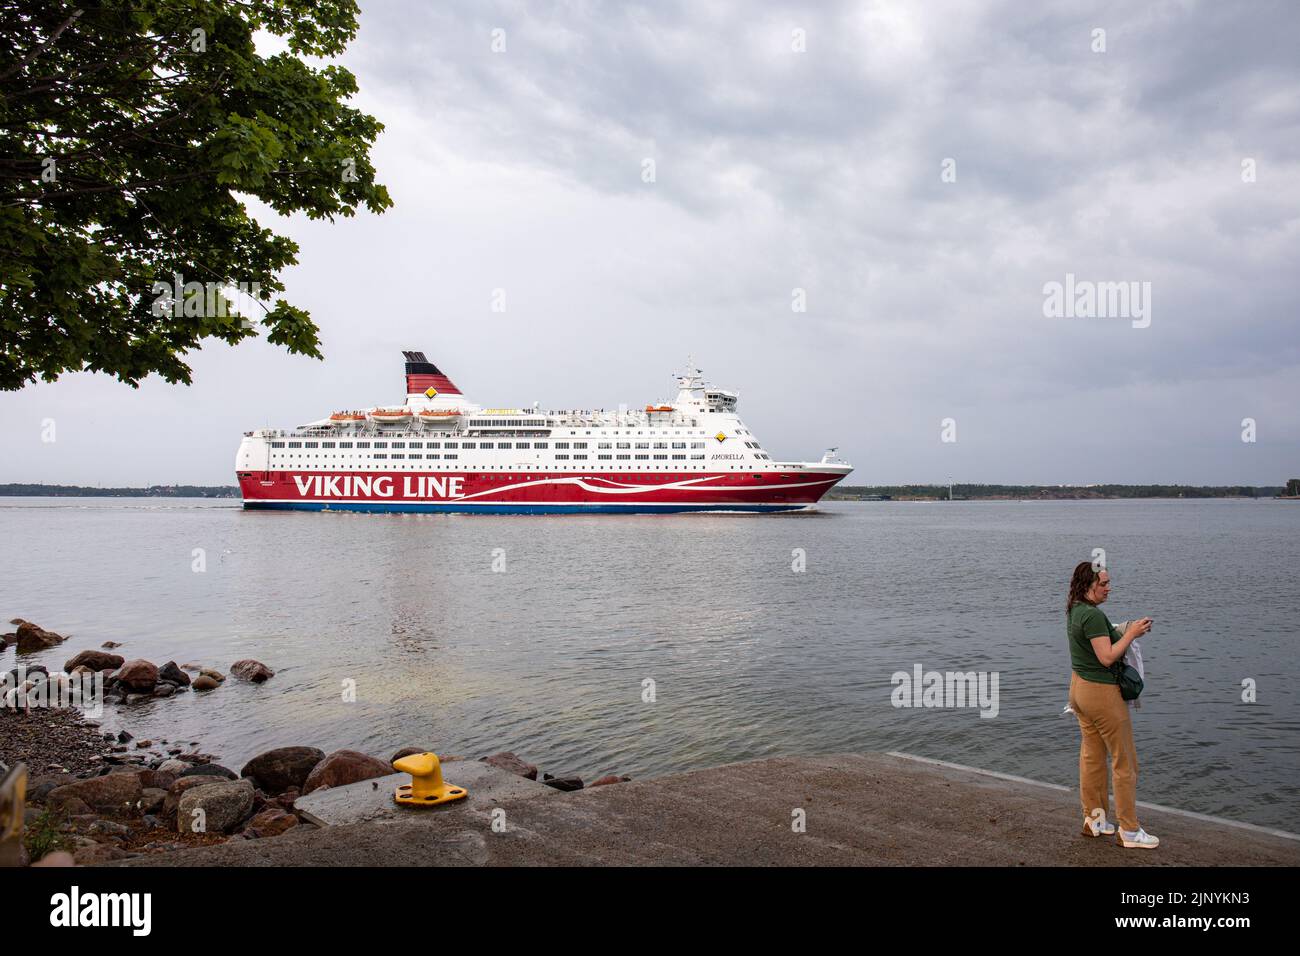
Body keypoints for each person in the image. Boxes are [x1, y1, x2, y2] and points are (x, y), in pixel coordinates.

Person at [1065, 561, 1159, 848]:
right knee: (1125, 761)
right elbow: (1106, 657)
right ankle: (1129, 831)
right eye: (1103, 583)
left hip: (1079, 689)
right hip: (1101, 694)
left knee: (1092, 757)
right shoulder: (1092, 616)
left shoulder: (1075, 610)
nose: (1109, 587)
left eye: (1108, 582)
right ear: (1087, 586)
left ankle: (1094, 820)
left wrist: (1124, 628)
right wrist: (1131, 634)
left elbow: (1097, 643)